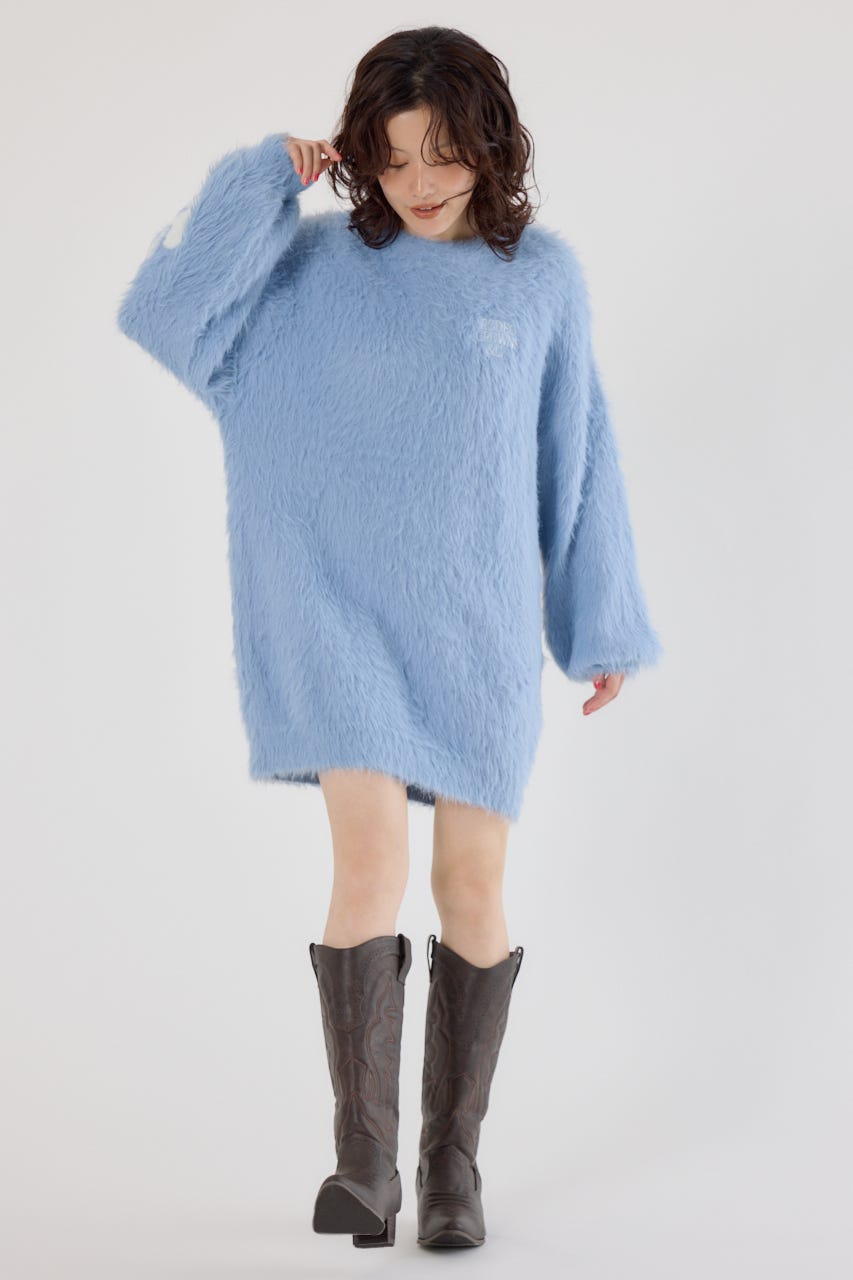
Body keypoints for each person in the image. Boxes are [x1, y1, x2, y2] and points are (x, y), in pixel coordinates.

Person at [116, 23, 662, 1252]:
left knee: (471, 881)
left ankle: (449, 1161)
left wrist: (601, 620)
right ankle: (362, 1164)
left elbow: (577, 455)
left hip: (474, 625)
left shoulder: (540, 282)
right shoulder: (304, 268)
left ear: (490, 146)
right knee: (366, 861)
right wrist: (258, 184)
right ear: (363, 153)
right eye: (395, 155)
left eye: (443, 153)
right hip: (331, 614)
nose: (418, 181)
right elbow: (162, 312)